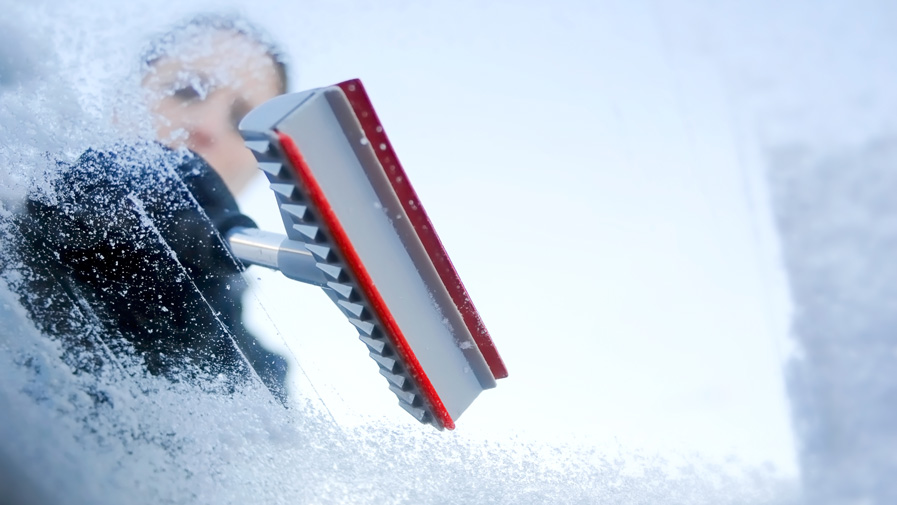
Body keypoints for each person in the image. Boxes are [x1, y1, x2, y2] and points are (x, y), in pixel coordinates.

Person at [9, 14, 291, 403]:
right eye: (187, 90)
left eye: (243, 122)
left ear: (259, 166)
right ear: (124, 104)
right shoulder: (12, 234)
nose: (207, 126)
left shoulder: (257, 385)